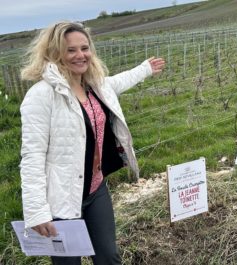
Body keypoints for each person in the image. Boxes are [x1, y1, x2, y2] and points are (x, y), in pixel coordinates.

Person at [19, 21, 165, 265]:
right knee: (68, 263)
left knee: (109, 257)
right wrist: (36, 212)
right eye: (71, 50)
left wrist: (145, 68)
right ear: (55, 53)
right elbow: (32, 156)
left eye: (84, 48)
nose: (80, 55)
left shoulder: (95, 85)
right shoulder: (42, 95)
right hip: (61, 197)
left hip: (96, 190)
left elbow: (119, 81)